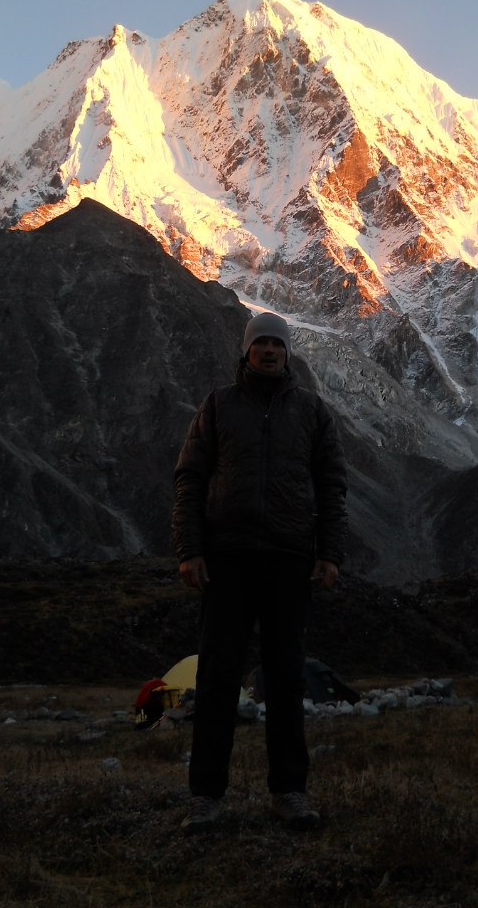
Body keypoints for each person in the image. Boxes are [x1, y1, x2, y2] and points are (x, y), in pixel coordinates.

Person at [171, 311, 347, 834]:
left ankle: (289, 792)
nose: (269, 351)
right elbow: (189, 478)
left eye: (277, 343)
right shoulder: (218, 407)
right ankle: (205, 797)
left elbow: (332, 486)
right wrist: (190, 548)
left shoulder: (313, 412)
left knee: (287, 677)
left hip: (289, 561)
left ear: (287, 353)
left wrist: (329, 552)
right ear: (246, 350)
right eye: (261, 343)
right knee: (216, 678)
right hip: (226, 559)